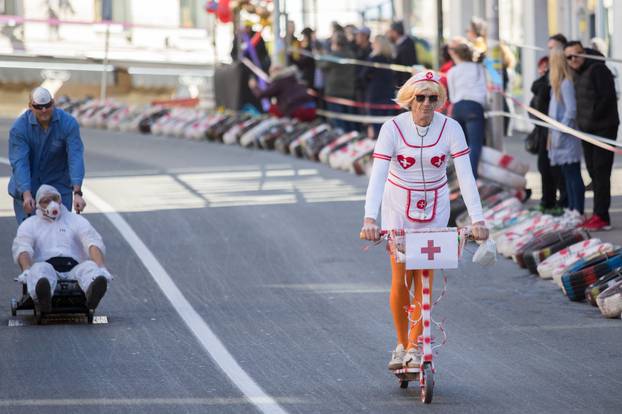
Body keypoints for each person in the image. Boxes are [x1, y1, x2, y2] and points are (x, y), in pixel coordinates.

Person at [360, 71, 489, 369]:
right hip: (398, 206)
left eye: (434, 98)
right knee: (400, 277)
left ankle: (416, 347)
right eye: (420, 98)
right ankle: (402, 343)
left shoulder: (452, 128)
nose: (427, 104)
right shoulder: (392, 129)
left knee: (424, 277)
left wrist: (478, 219)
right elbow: (377, 176)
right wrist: (370, 218)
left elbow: (466, 177)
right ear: (409, 99)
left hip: (435, 203)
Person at [12, 185, 112, 313]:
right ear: (38, 204)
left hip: (74, 267)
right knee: (39, 271)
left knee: (90, 268)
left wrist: (101, 266)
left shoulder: (75, 220)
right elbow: (23, 247)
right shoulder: (30, 224)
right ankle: (43, 299)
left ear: (60, 200)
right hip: (47, 267)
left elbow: (92, 241)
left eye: (54, 199)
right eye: (46, 201)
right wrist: (26, 269)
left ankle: (92, 294)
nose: (51, 203)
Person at [8, 87, 86, 224]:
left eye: (47, 106)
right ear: (30, 106)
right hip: (29, 185)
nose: (43, 110)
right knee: (31, 236)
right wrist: (26, 194)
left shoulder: (68, 123)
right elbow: (20, 163)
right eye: (38, 107)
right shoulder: (19, 128)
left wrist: (78, 192)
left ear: (53, 103)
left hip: (58, 185)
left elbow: (75, 157)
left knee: (61, 234)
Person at [564, 40, 620, 231]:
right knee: (593, 172)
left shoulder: (598, 69)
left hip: (603, 129)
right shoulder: (577, 73)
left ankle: (602, 216)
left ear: (584, 53)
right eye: (568, 57)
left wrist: (593, 120)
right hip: (587, 131)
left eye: (576, 55)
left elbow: (607, 98)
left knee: (601, 172)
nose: (573, 60)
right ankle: (597, 213)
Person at [547, 48, 584, 219]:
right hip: (558, 135)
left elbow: (571, 111)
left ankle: (578, 209)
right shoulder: (557, 84)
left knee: (573, 173)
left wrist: (561, 130)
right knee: (567, 174)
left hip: (566, 136)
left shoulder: (566, 83)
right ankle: (571, 207)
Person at [446, 38, 487, 177]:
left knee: (459, 147)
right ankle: (471, 178)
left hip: (458, 107)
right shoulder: (478, 68)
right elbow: (484, 89)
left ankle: (458, 177)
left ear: (456, 54)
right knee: (475, 145)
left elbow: (451, 94)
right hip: (474, 106)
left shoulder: (452, 71)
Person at [248, 65, 316, 122]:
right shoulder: (294, 77)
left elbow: (262, 94)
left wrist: (254, 87)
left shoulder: (279, 81)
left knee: (273, 109)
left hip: (295, 110)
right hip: (311, 108)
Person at [359, 35, 396, 137]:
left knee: (376, 125)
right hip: (388, 94)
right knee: (387, 125)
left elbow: (363, 76)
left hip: (375, 95)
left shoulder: (374, 58)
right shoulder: (390, 59)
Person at [319, 32, 357, 131]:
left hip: (335, 91)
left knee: (337, 120)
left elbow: (322, 65)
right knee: (348, 118)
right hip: (348, 90)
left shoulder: (334, 55)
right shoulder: (351, 54)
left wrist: (319, 55)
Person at [387, 21, 418, 89]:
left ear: (395, 32)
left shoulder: (406, 45)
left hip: (405, 85)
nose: (388, 34)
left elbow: (406, 68)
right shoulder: (400, 44)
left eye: (390, 32)